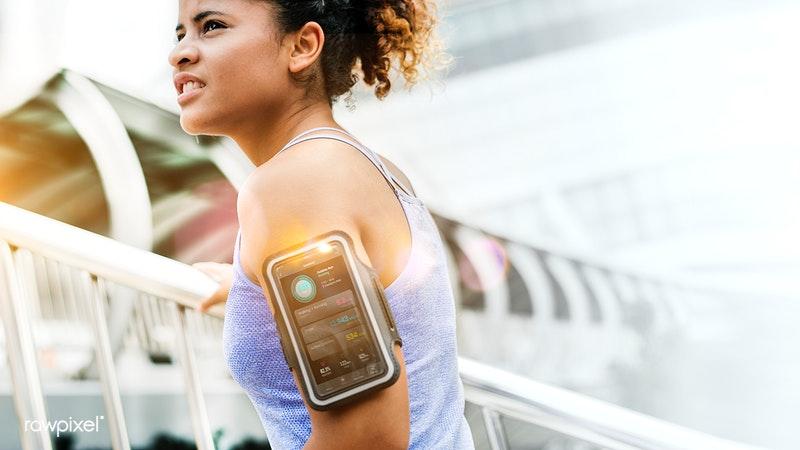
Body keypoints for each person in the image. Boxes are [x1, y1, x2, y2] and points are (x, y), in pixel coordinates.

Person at [169, 0, 474, 448]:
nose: (180, 54)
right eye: (180, 35)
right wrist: (251, 291)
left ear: (303, 46)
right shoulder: (365, 166)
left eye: (212, 26)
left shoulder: (293, 186)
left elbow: (366, 438)